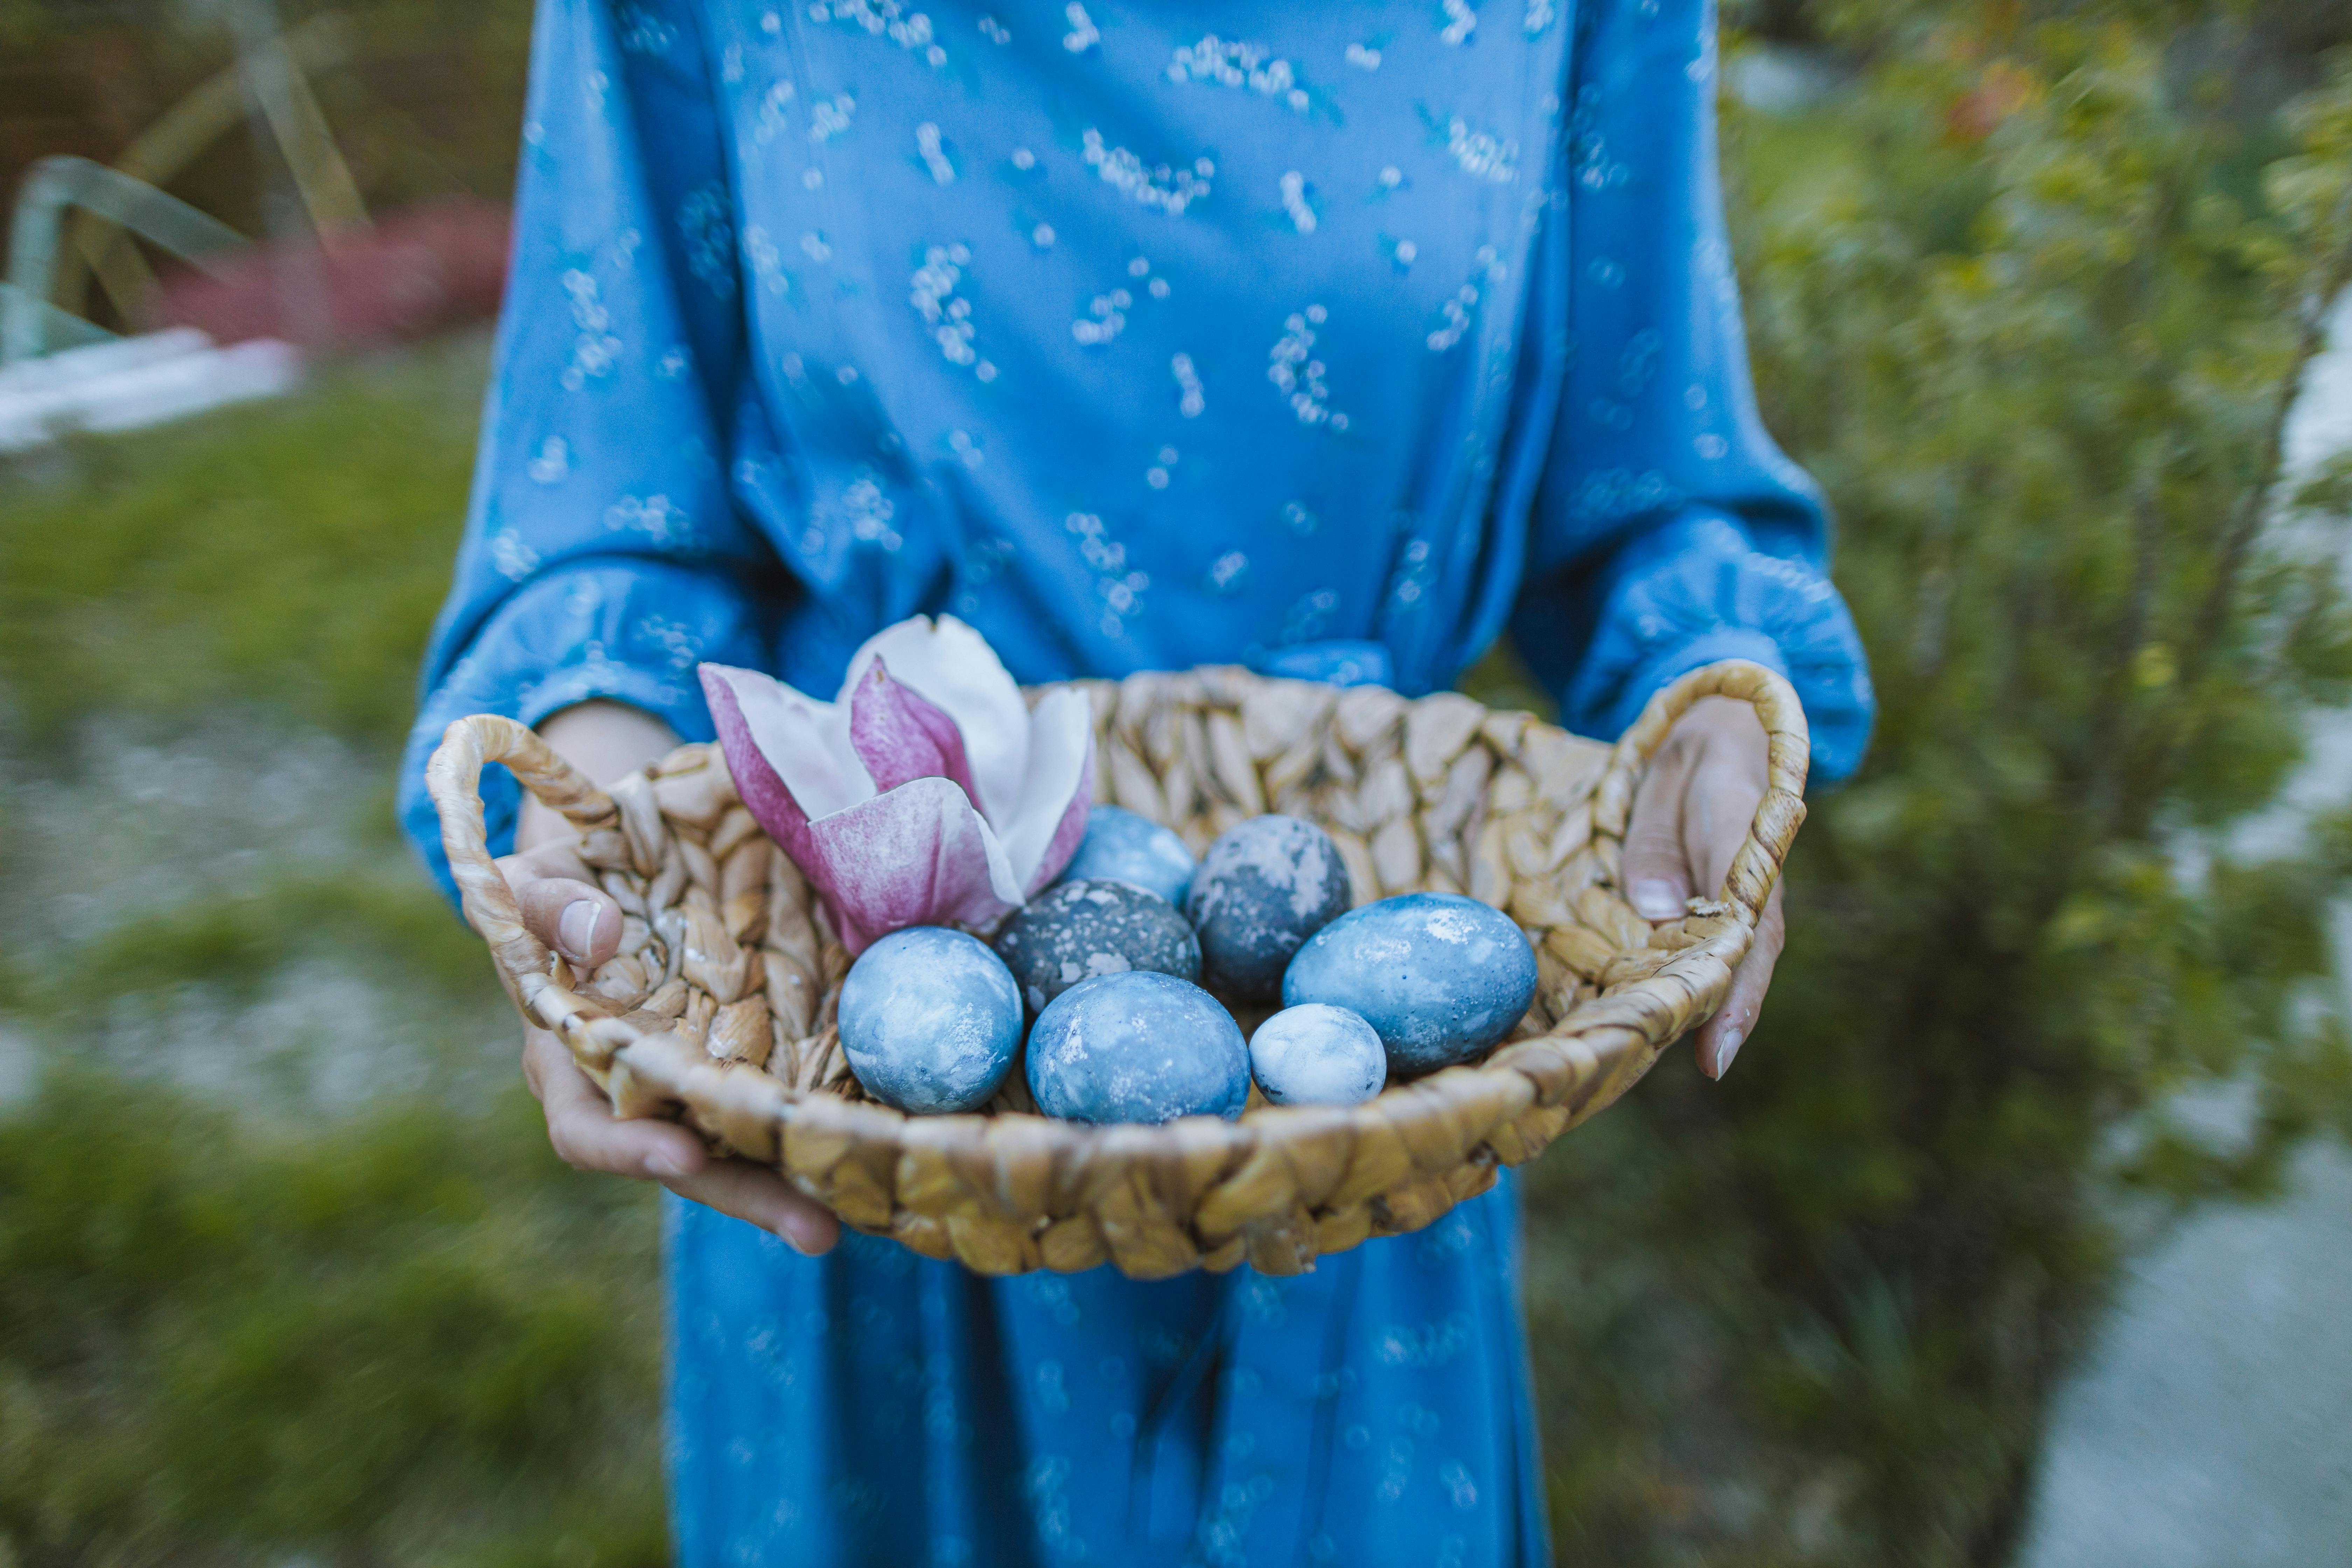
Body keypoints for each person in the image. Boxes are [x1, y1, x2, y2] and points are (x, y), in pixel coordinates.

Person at [398, 1, 1874, 1561]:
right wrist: (612, 840)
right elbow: (606, 494)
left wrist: (1713, 691)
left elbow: (1655, 477)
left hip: (1358, 1134)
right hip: (866, 1088)